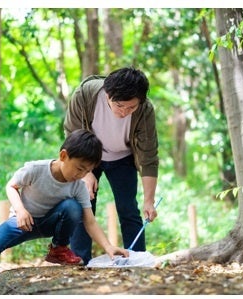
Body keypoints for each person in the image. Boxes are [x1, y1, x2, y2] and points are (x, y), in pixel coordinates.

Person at [0, 129, 129, 273]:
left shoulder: (79, 187)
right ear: (63, 155)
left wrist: (108, 247)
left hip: (50, 222)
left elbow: (90, 221)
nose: (81, 175)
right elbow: (11, 186)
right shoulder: (35, 169)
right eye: (79, 168)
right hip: (23, 222)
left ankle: (59, 249)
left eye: (87, 171)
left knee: (72, 207)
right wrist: (20, 210)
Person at [64, 67, 159, 264]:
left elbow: (148, 156)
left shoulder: (145, 110)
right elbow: (72, 133)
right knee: (83, 205)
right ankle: (80, 261)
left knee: (128, 209)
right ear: (108, 94)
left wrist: (149, 200)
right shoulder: (86, 94)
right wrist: (85, 173)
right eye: (119, 105)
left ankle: (137, 259)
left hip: (123, 158)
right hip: (87, 154)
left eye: (131, 108)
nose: (124, 112)